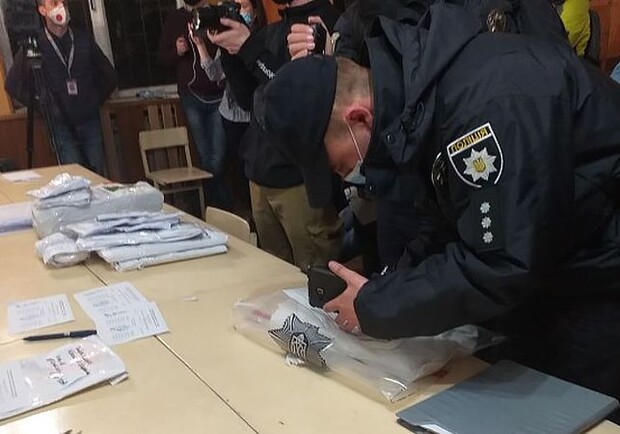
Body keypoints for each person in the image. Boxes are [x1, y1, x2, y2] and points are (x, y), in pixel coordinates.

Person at [257, 2, 620, 422]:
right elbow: (448, 222)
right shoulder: (420, 103)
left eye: (338, 165)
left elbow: (502, 262)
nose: (345, 176)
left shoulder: (485, 105)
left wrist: (378, 307)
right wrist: (387, 285)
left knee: (575, 415)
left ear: (359, 118)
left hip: (599, 275)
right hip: (553, 264)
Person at [206, 0, 343, 271]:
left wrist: (249, 47)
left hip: (299, 182)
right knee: (276, 280)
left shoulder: (327, 25)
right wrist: (232, 52)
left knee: (314, 280)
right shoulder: (273, 30)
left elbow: (296, 97)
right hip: (260, 177)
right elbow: (247, 98)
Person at [5, 0, 117, 175]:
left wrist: (93, 100)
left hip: (89, 120)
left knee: (97, 174)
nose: (61, 7)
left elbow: (110, 75)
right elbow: (12, 84)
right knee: (74, 176)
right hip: (61, 125)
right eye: (54, 3)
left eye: (64, 2)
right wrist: (42, 106)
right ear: (43, 10)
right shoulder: (35, 46)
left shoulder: (83, 39)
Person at [189, 0, 267, 221]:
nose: (240, 11)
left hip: (254, 116)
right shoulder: (227, 40)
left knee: (256, 170)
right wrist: (201, 45)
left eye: (244, 6)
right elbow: (215, 74)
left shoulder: (264, 38)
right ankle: (248, 218)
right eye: (235, 6)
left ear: (255, 10)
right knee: (238, 171)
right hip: (230, 115)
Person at [158, 0, 229, 209]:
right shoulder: (175, 19)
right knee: (205, 155)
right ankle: (215, 207)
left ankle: (214, 206)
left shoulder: (214, 14)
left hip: (219, 95)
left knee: (218, 156)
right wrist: (177, 50)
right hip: (191, 96)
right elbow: (162, 57)